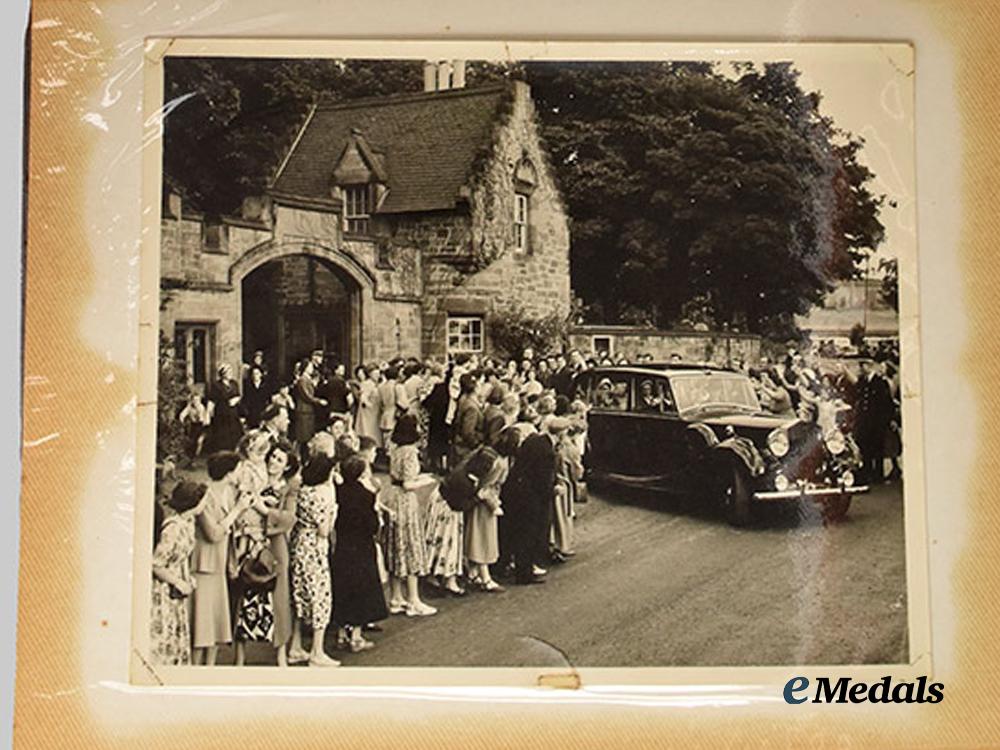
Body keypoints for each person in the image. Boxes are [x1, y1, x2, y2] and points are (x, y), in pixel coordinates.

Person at [192, 451, 249, 666]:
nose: (240, 473)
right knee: (202, 627)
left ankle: (210, 669)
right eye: (238, 470)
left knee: (216, 625)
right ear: (228, 472)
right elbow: (213, 533)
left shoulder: (229, 491)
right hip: (204, 565)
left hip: (220, 565)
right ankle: (195, 672)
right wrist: (238, 510)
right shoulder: (204, 495)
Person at [332, 455, 389, 653]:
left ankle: (340, 633)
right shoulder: (366, 495)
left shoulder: (337, 492)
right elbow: (372, 526)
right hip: (362, 546)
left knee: (342, 588)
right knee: (361, 589)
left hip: (342, 545)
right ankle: (356, 637)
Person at [231, 430, 278, 666]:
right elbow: (247, 496)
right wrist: (263, 505)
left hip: (259, 526)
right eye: (260, 450)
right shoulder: (246, 468)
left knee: (259, 585)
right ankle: (240, 653)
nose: (264, 454)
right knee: (249, 580)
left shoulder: (258, 467)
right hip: (250, 528)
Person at [382, 414, 436, 616]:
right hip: (406, 500)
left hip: (393, 498)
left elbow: (399, 478)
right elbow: (408, 483)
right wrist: (427, 481)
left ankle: (396, 596)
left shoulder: (395, 450)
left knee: (396, 545)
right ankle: (413, 598)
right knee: (410, 544)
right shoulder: (410, 452)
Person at [289, 454, 340, 667]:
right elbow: (324, 530)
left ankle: (295, 645)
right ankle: (316, 652)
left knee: (299, 596)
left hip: (298, 543)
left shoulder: (302, 491)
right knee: (320, 597)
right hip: (315, 548)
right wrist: (333, 512)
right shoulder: (320, 496)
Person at [150, 480, 208, 665]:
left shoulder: (188, 522)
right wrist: (178, 582)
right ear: (194, 502)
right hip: (164, 588)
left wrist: (187, 578)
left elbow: (181, 557)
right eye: (204, 500)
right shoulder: (173, 528)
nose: (205, 504)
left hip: (177, 587)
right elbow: (156, 564)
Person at [504, 418, 558, 585]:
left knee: (521, 533)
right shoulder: (547, 451)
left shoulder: (534, 441)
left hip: (518, 492)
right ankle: (524, 573)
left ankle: (521, 569)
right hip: (530, 497)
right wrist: (552, 491)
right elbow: (542, 479)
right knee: (528, 534)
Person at [261, 441, 300, 667]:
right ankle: (240, 656)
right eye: (272, 456)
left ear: (286, 467)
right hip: (253, 540)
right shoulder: (255, 478)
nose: (272, 462)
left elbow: (288, 518)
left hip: (276, 544)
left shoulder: (289, 487)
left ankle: (281, 653)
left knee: (280, 597)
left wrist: (266, 510)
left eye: (278, 460)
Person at [464, 443, 510, 593]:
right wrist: (495, 504)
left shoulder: (488, 456)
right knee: (484, 539)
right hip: (486, 504)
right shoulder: (500, 464)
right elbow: (490, 486)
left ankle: (473, 572)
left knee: (475, 536)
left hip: (477, 502)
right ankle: (485, 577)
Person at [204, 364, 243, 453]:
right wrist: (207, 414)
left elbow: (238, 395)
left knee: (235, 434)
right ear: (222, 374)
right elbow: (211, 400)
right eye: (228, 372)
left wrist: (236, 399)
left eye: (231, 371)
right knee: (222, 436)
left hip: (233, 413)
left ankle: (234, 453)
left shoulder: (234, 383)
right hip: (221, 414)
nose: (230, 373)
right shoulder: (216, 385)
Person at [450, 371, 485, 469]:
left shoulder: (463, 399)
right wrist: (476, 444)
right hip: (465, 449)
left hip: (458, 444)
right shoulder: (471, 407)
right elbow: (467, 431)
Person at [293, 359, 327, 449]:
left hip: (308, 411)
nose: (312, 368)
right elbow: (306, 396)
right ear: (306, 368)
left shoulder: (307, 379)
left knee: (307, 435)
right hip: (304, 411)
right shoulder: (303, 380)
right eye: (310, 367)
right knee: (303, 437)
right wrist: (319, 401)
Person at [353, 364, 382, 449]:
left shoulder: (375, 384)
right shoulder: (367, 384)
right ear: (369, 374)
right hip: (369, 414)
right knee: (369, 431)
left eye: (378, 374)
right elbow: (363, 398)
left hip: (375, 412)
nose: (377, 376)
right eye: (375, 374)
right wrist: (369, 405)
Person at [178, 390, 209, 460]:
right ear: (192, 400)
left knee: (199, 441)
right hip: (193, 426)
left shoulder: (201, 407)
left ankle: (195, 457)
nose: (196, 402)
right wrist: (182, 421)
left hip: (202, 426)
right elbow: (182, 414)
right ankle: (191, 458)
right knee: (192, 442)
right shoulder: (189, 407)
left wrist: (204, 422)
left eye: (197, 400)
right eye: (194, 400)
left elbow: (203, 419)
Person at [377, 366, 399, 450]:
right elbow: (403, 403)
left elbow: (379, 402)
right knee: (393, 439)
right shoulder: (397, 386)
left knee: (386, 438)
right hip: (394, 414)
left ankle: (386, 453)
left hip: (384, 414)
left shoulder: (381, 387)